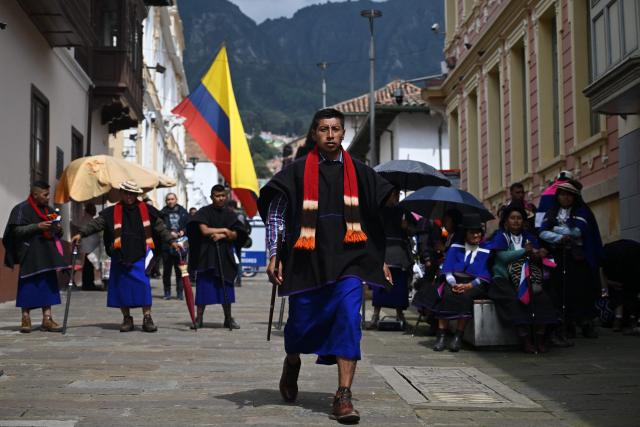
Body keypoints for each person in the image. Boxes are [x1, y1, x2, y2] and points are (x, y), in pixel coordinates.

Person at [258, 108, 393, 423]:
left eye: (335, 129)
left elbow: (375, 220)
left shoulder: (361, 173)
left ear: (343, 132)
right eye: (323, 129)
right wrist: (274, 253)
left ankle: (343, 395)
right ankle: (292, 361)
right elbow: (277, 212)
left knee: (349, 321)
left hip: (350, 262)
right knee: (301, 326)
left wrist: (379, 259)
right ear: (314, 134)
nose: (330, 135)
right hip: (307, 260)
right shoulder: (295, 172)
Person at [71, 181, 179, 332]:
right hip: (120, 254)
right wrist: (81, 233)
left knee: (143, 286)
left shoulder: (147, 210)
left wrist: (171, 241)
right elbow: (97, 224)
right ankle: (127, 318)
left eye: (133, 193)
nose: (129, 196)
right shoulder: (112, 211)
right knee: (122, 288)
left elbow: (160, 228)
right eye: (126, 193)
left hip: (140, 253)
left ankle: (147, 317)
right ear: (121, 193)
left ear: (137, 195)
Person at [413, 214, 492, 352]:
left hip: (475, 283)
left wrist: (468, 286)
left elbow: (484, 274)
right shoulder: (456, 246)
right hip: (453, 280)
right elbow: (448, 269)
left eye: (478, 232)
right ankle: (441, 336)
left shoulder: (486, 249)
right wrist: (453, 283)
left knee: (465, 297)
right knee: (445, 295)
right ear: (465, 233)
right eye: (472, 232)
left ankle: (457, 337)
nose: (476, 235)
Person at [487, 205, 558, 353]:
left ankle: (539, 339)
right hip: (504, 278)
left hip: (526, 276)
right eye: (512, 218)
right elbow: (502, 257)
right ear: (506, 221)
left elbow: (536, 254)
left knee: (542, 298)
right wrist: (524, 251)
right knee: (515, 300)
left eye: (519, 218)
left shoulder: (529, 237)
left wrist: (538, 254)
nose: (516, 221)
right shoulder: (501, 236)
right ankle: (525, 340)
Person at [539, 181, 603, 345]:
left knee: (579, 290)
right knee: (560, 290)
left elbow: (577, 230)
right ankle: (565, 324)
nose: (565, 198)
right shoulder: (552, 212)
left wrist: (556, 229)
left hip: (577, 257)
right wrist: (560, 236)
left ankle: (584, 322)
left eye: (568, 195)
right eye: (562, 194)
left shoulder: (582, 211)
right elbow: (543, 232)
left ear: (574, 197)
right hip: (559, 256)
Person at [3, 181, 68, 333]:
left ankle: (47, 318)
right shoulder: (21, 209)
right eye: (45, 195)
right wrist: (37, 227)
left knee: (48, 285)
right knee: (28, 286)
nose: (48, 198)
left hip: (48, 254)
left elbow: (60, 233)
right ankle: (26, 318)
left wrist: (57, 229)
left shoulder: (50, 211)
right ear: (35, 194)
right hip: (29, 254)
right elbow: (15, 232)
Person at [187, 185, 247, 329]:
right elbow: (204, 230)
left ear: (226, 196)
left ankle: (228, 318)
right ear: (211, 197)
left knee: (226, 286)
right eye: (217, 196)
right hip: (207, 255)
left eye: (222, 196)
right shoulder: (204, 212)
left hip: (224, 254)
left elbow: (237, 234)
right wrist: (225, 230)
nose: (220, 198)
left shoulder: (230, 214)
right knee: (203, 287)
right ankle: (199, 318)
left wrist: (223, 235)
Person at [368, 188, 413, 329]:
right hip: (384, 250)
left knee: (399, 286)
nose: (397, 197)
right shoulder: (379, 210)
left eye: (398, 194)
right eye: (395, 194)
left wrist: (406, 227)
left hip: (399, 251)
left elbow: (413, 230)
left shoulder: (404, 210)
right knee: (381, 284)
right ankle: (376, 315)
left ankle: (400, 315)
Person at [600, 239, 640, 334]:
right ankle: (631, 319)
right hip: (630, 256)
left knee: (620, 291)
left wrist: (606, 288)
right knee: (630, 291)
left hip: (619, 257)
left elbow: (602, 273)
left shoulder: (608, 253)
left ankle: (619, 319)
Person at [160, 193, 189, 300]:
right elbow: (160, 227)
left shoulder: (183, 212)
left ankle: (180, 292)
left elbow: (188, 226)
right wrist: (169, 233)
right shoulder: (162, 213)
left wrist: (183, 231)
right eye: (168, 199)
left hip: (181, 243)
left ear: (176, 199)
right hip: (167, 244)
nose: (170, 201)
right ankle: (167, 292)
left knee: (180, 270)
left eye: (172, 199)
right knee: (167, 270)